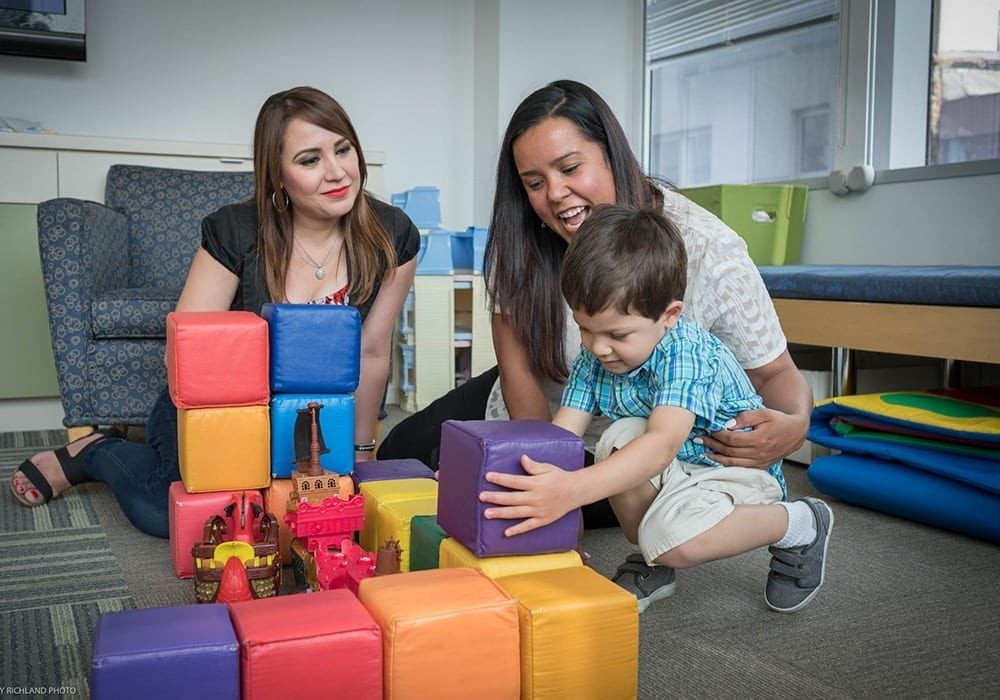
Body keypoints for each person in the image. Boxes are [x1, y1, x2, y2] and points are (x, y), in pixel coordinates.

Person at [10, 86, 420, 538]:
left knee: (304, 516)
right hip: (224, 408)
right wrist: (235, 451)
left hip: (316, 417)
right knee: (173, 515)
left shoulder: (393, 234)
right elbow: (187, 354)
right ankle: (96, 450)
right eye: (309, 160)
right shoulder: (235, 228)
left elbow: (372, 351)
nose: (337, 171)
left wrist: (358, 456)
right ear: (277, 175)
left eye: (343, 149)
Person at [378, 79, 811, 476]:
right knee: (398, 455)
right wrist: (538, 458)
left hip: (640, 440)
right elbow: (519, 373)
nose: (554, 194)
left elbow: (774, 373)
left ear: (611, 154)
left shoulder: (707, 247)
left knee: (474, 482)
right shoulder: (521, 241)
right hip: (546, 411)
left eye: (569, 169)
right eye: (534, 182)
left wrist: (794, 426)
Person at [481, 203, 833, 614]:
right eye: (585, 329)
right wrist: (490, 469)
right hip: (679, 469)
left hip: (731, 468)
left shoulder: (686, 351)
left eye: (617, 333)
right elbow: (559, 438)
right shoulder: (596, 357)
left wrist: (571, 490)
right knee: (616, 440)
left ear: (669, 315)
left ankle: (801, 523)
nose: (597, 347)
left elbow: (662, 444)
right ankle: (654, 558)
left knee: (678, 542)